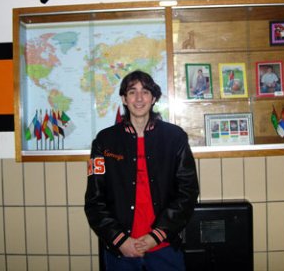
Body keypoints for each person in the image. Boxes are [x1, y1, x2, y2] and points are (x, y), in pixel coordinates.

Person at [85, 70, 199, 271]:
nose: (139, 98)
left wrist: (157, 235)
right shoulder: (104, 141)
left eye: (145, 92)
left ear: (153, 98)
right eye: (132, 92)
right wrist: (120, 241)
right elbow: (94, 201)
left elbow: (187, 193)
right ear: (124, 99)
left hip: (164, 248)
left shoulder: (175, 138)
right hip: (120, 251)